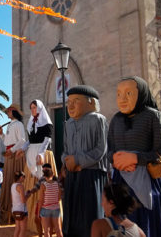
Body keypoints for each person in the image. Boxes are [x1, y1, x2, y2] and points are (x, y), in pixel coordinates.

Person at [108, 76, 161, 236]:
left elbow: (158, 151)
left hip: (148, 181)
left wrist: (135, 158)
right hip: (120, 182)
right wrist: (114, 159)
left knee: (146, 224)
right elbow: (110, 149)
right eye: (118, 94)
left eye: (129, 93)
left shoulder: (153, 117)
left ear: (141, 94)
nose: (122, 99)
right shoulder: (116, 120)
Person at [62, 85, 108, 236]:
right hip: (72, 175)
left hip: (91, 176)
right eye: (69, 101)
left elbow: (100, 150)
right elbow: (65, 149)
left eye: (76, 100)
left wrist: (78, 160)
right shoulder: (68, 124)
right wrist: (66, 160)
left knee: (90, 216)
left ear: (90, 103)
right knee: (71, 216)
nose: (71, 105)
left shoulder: (98, 120)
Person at [17, 99, 58, 233]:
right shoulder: (31, 123)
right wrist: (22, 149)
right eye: (31, 108)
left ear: (39, 108)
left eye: (34, 107)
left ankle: (49, 225)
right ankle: (31, 223)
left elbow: (47, 139)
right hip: (31, 156)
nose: (33, 110)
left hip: (42, 155)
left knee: (45, 187)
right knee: (31, 184)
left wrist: (41, 154)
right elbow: (30, 140)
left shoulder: (47, 123)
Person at [0, 103, 26, 224]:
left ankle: (18, 211)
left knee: (14, 179)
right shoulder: (10, 125)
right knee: (8, 179)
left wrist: (12, 150)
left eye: (9, 111)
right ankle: (10, 210)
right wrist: (1, 134)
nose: (7, 113)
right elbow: (7, 141)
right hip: (9, 154)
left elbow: (22, 140)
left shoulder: (19, 124)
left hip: (15, 155)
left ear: (14, 112)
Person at [38, 165, 62, 237]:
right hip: (56, 208)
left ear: (44, 176)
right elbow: (59, 198)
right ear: (53, 175)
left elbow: (41, 200)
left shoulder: (43, 185)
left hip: (45, 209)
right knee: (58, 229)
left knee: (46, 231)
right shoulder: (57, 184)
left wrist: (38, 211)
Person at [11, 171, 28, 237]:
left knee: (17, 228)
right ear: (21, 177)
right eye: (24, 177)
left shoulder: (13, 185)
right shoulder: (20, 186)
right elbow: (23, 200)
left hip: (15, 209)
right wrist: (28, 195)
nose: (24, 179)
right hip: (22, 210)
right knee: (23, 229)